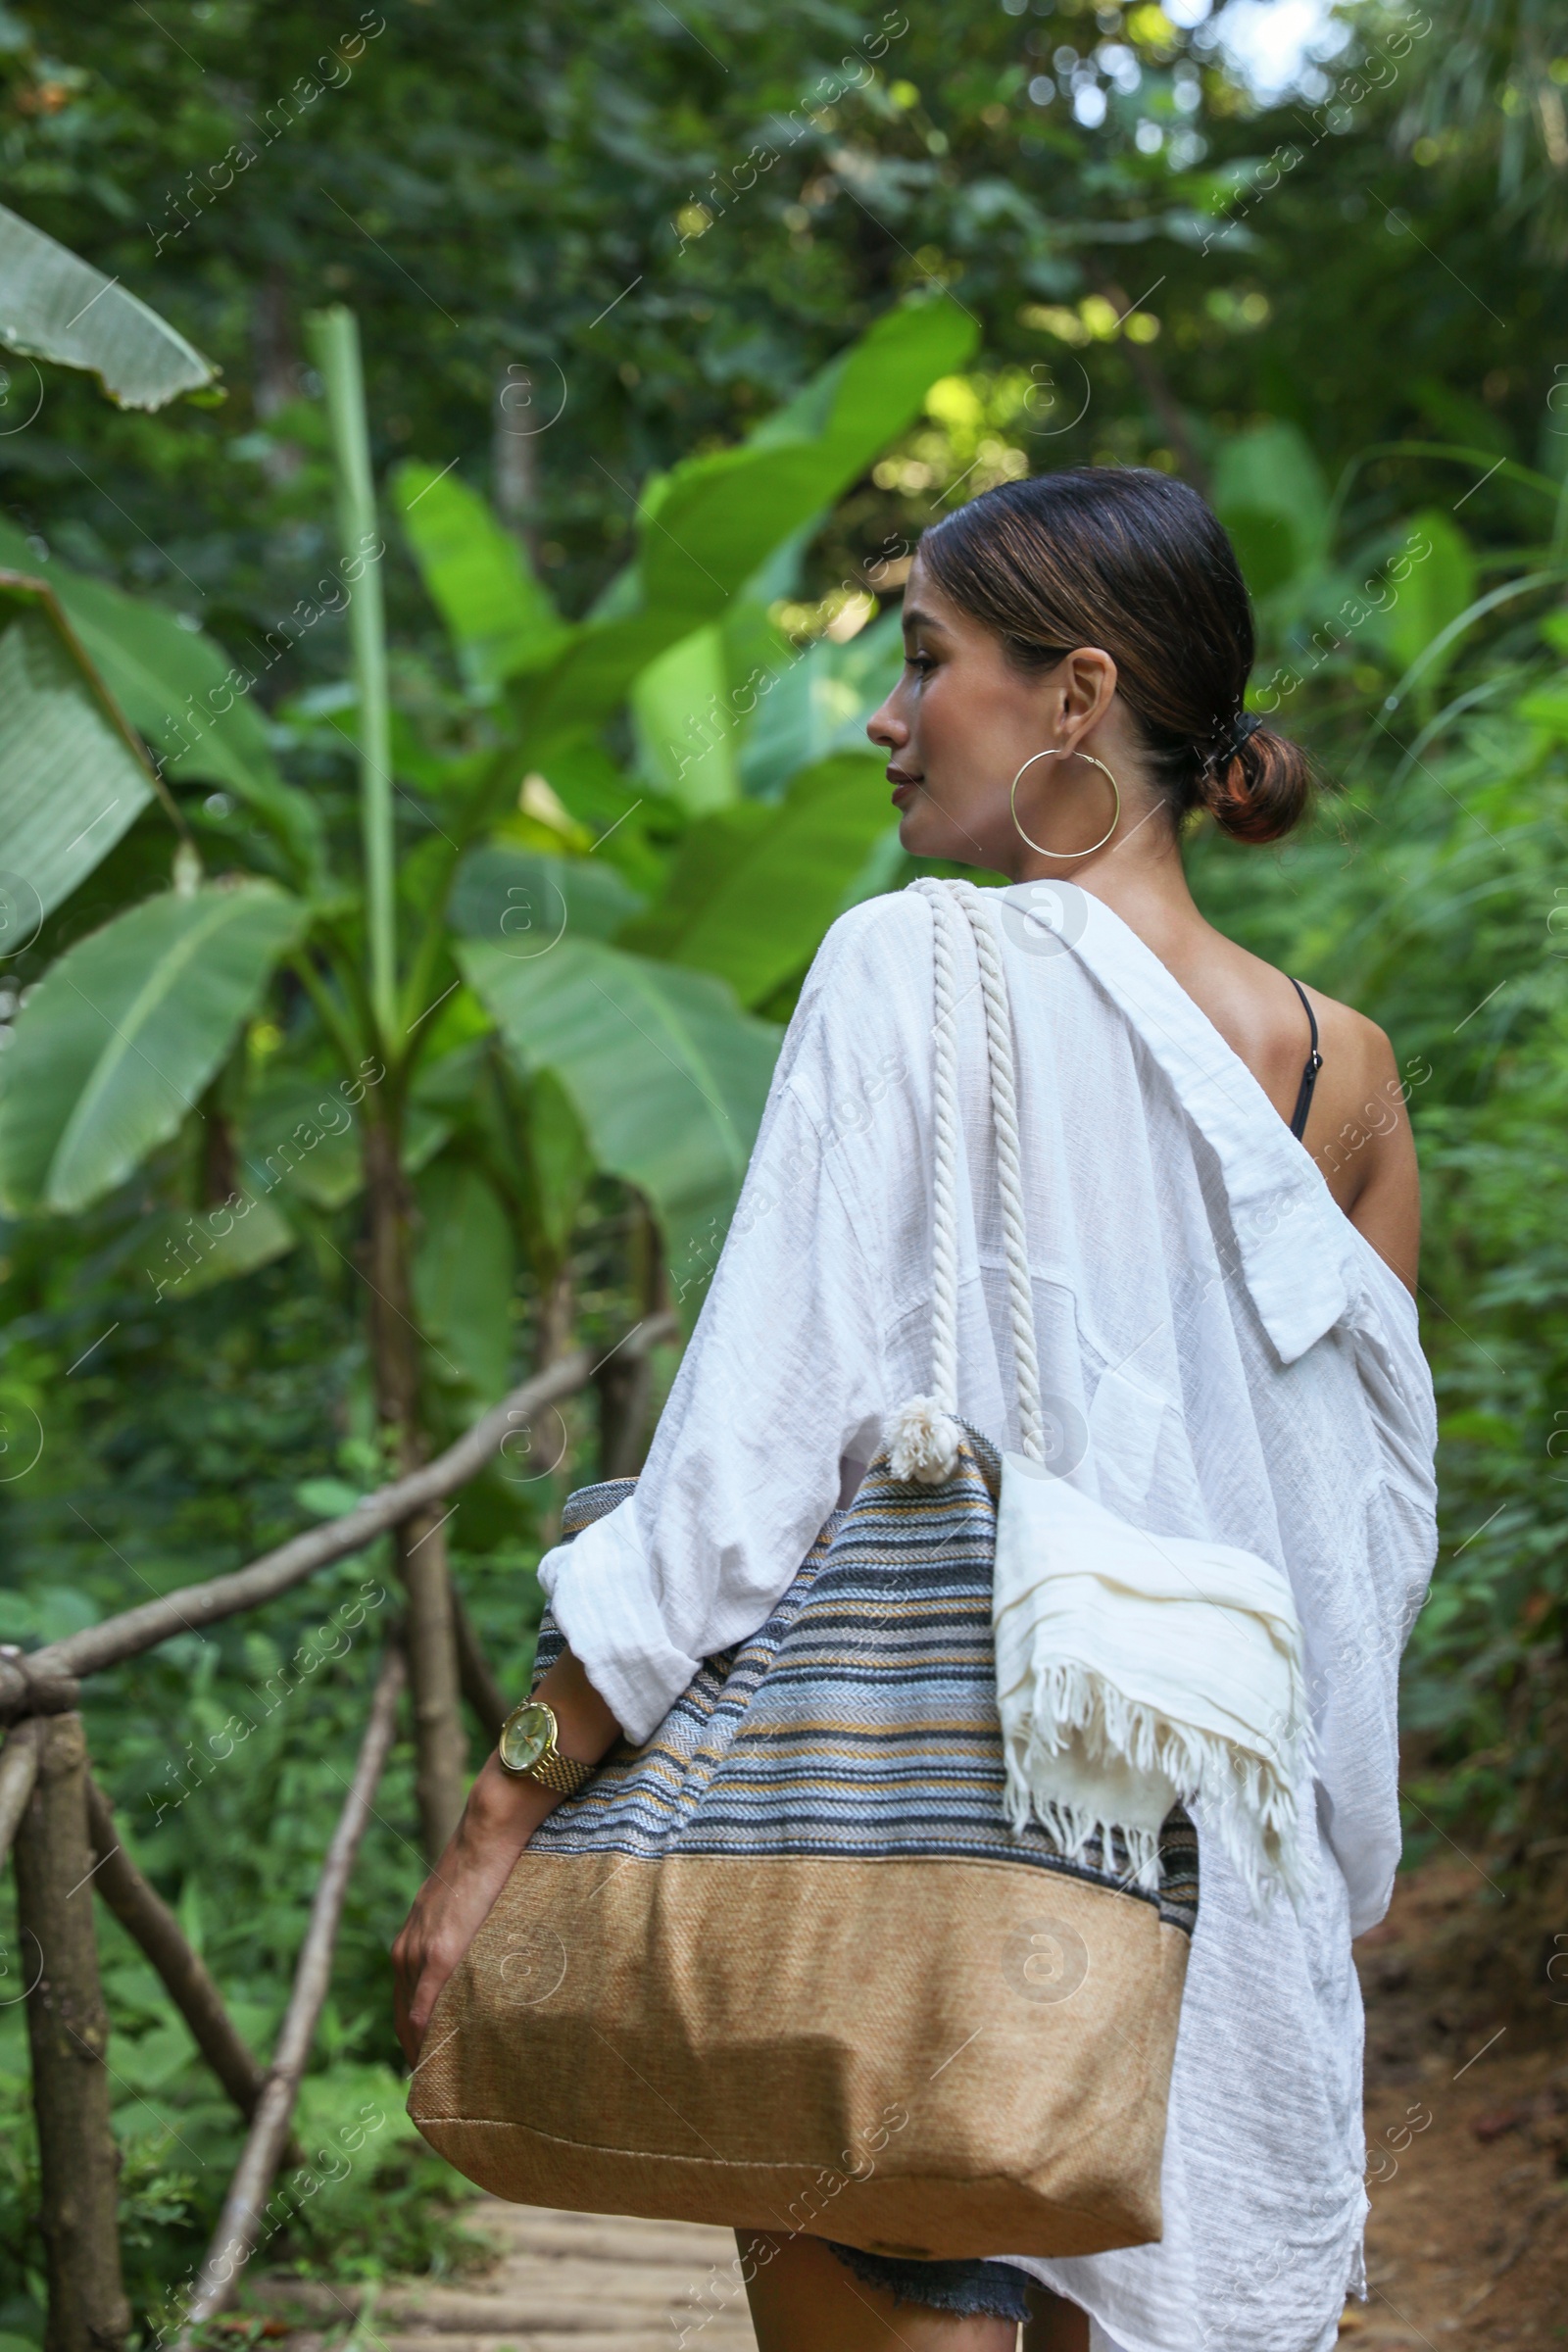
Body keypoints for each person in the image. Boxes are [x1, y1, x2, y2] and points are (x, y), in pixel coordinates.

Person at [393, 467, 1438, 2352]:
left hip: (905, 1904)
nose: (885, 719)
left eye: (925, 661)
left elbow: (738, 1480)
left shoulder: (908, 967)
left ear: (1074, 696)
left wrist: (498, 1821)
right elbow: (1360, 1573)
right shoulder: (1343, 1076)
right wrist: (1323, 1885)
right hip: (1220, 1948)